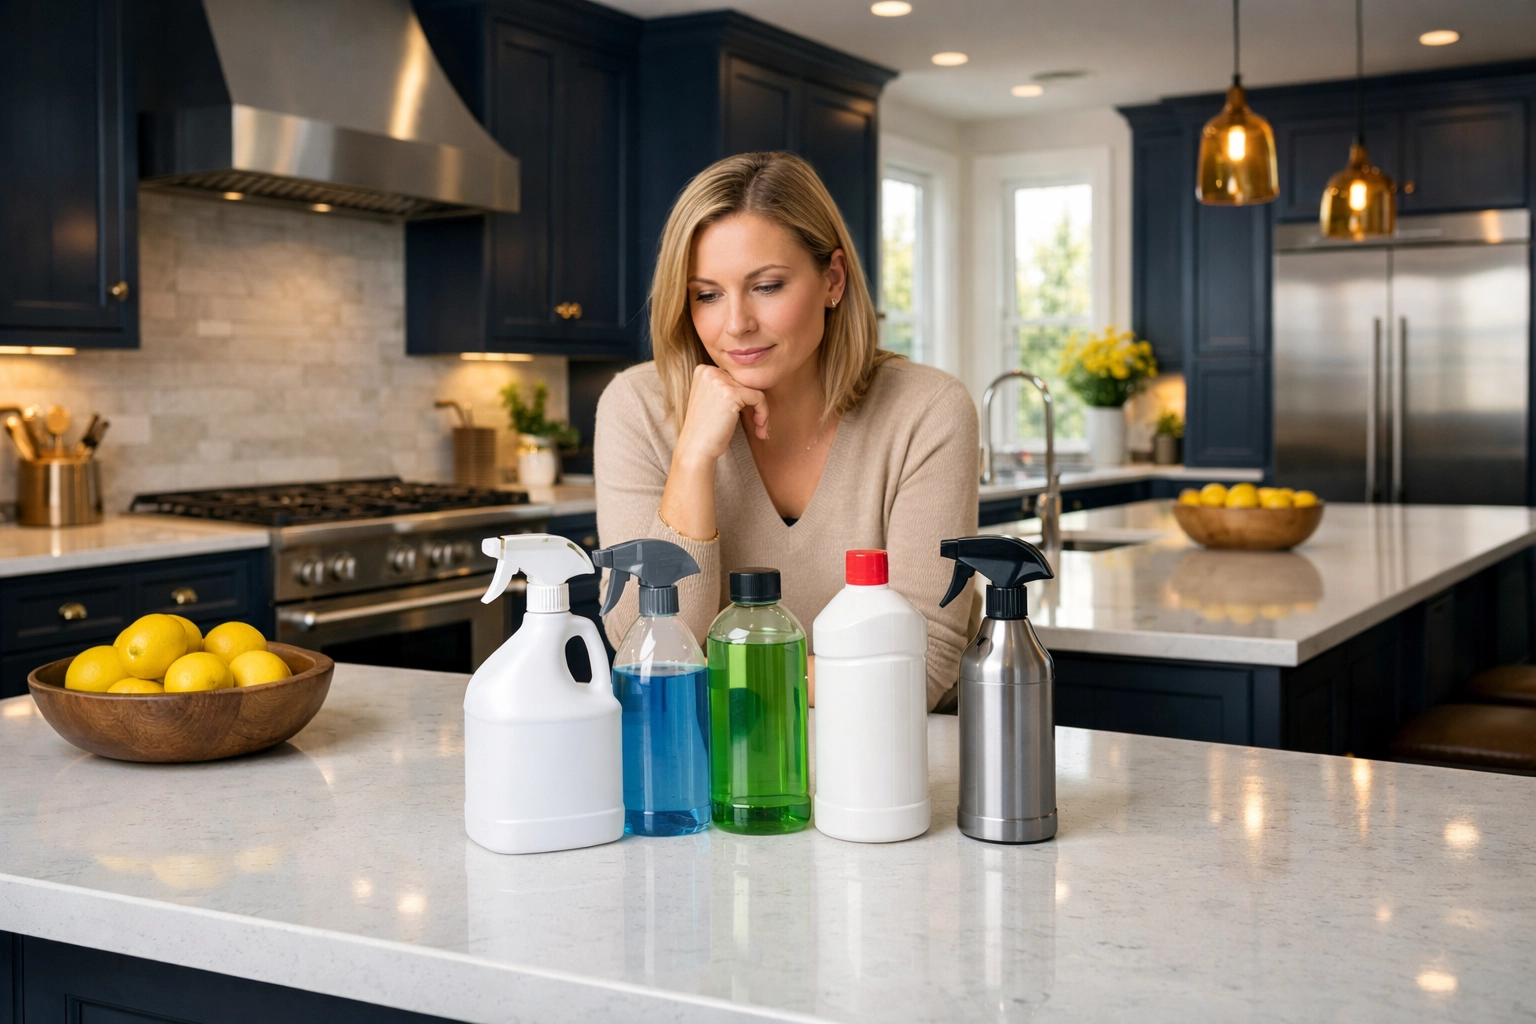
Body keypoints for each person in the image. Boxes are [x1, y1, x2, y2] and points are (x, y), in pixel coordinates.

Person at [594, 151, 978, 710]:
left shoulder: (928, 410)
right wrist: (693, 459)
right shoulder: (637, 407)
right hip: (711, 756)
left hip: (889, 753)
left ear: (833, 279)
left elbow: (922, 668)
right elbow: (648, 655)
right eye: (707, 295)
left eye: (767, 286)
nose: (736, 324)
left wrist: (721, 664)